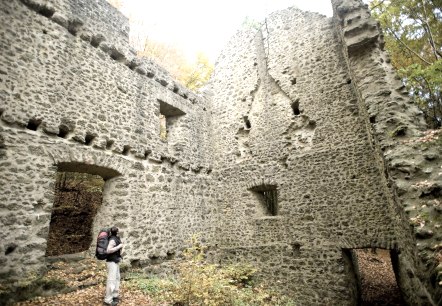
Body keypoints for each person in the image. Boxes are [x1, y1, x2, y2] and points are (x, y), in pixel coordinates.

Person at [104, 226, 124, 306]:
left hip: (115, 261)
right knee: (111, 280)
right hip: (111, 262)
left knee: (117, 278)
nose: (120, 232)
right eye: (118, 231)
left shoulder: (116, 238)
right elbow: (108, 250)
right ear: (116, 232)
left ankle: (115, 296)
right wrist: (119, 246)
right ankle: (108, 300)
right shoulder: (112, 239)